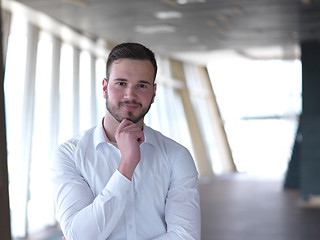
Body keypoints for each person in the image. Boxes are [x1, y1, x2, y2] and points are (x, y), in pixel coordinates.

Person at [51, 42, 201, 240]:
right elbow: (78, 235)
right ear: (105, 87)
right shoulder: (70, 155)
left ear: (154, 93)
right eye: (121, 83)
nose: (130, 95)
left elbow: (185, 237)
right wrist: (127, 165)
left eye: (142, 85)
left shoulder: (176, 156)